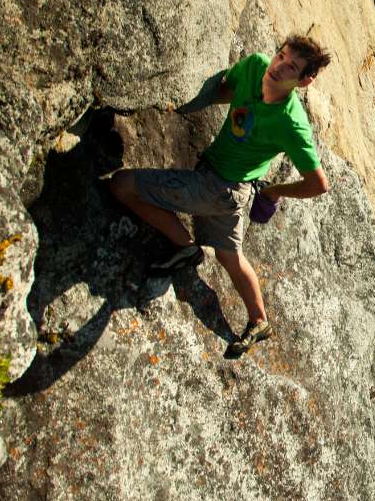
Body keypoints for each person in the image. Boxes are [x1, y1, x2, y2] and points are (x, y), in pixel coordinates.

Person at [109, 35, 331, 351]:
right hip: (224, 186)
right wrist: (183, 100)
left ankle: (184, 246)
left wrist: (273, 192)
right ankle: (259, 320)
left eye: (291, 67)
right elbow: (227, 89)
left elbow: (318, 184)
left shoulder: (291, 124)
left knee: (122, 185)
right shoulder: (255, 67)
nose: (278, 66)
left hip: (221, 190)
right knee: (229, 256)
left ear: (304, 81)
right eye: (280, 56)